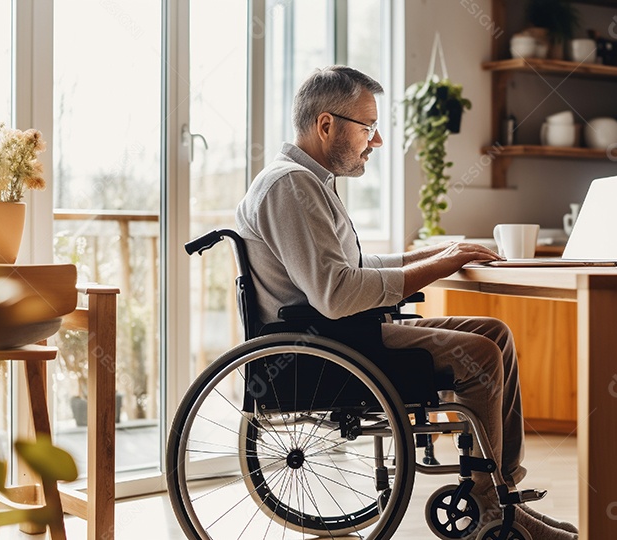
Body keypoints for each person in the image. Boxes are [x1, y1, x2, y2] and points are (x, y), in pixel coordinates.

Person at [235, 65, 577, 540]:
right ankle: (490, 507)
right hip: (327, 345)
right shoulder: (291, 185)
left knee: (494, 333)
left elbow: (352, 265)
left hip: (340, 333)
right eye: (368, 128)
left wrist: (437, 254)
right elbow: (336, 293)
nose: (374, 142)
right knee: (480, 355)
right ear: (326, 124)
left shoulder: (305, 181)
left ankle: (503, 494)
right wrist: (440, 265)